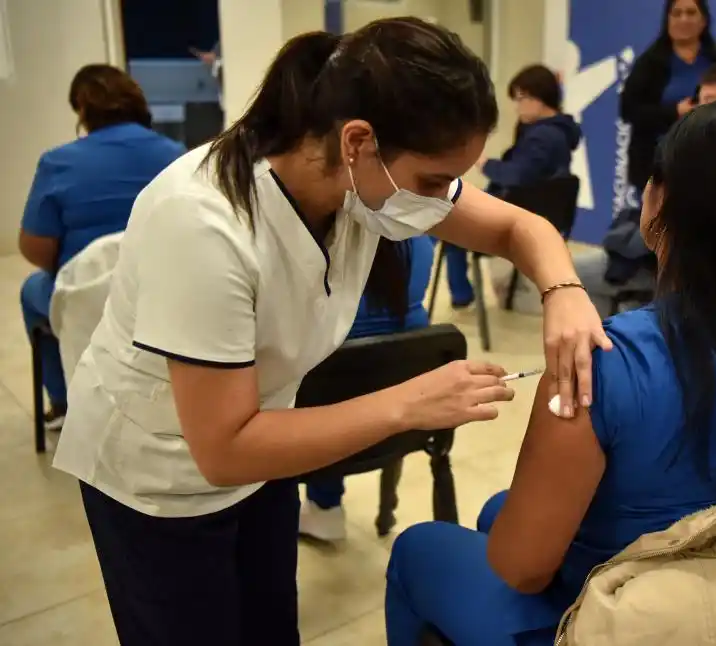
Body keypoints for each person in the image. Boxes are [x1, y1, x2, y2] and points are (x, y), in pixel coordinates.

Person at [52, 22, 608, 646]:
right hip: (158, 478)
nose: (440, 203)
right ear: (358, 141)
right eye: (431, 182)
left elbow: (519, 230)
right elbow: (224, 448)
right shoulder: (203, 223)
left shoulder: (358, 186)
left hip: (267, 450)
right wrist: (408, 403)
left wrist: (564, 292)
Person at [384, 98, 716, 646]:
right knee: (494, 509)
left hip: (604, 618)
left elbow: (521, 567)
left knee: (418, 548)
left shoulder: (597, 361)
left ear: (658, 203)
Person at [19, 64, 184, 431]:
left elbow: (34, 247)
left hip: (85, 294)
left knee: (31, 291)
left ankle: (62, 402)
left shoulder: (58, 162)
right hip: (159, 291)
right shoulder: (174, 153)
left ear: (82, 109)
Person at [577, 61, 716, 317]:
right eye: (699, 99)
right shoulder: (715, 153)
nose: (697, 108)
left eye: (709, 99)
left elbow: (670, 231)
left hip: (676, 275)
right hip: (666, 265)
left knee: (574, 275)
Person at [300, 234, 436, 541]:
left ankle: (325, 504)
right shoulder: (420, 242)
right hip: (401, 424)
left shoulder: (309, 248)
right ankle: (325, 504)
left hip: (310, 432)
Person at [446, 64, 582, 308]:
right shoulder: (560, 132)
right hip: (541, 218)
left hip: (519, 217)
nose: (517, 105)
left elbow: (517, 177)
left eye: (522, 98)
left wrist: (487, 164)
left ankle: (461, 296)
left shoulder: (542, 137)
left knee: (448, 227)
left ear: (539, 97)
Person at [620, 0, 716, 194]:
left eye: (691, 13)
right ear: (667, 20)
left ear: (703, 20)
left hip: (714, 162)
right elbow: (629, 110)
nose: (684, 19)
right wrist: (674, 112)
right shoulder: (650, 62)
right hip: (659, 165)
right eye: (677, 13)